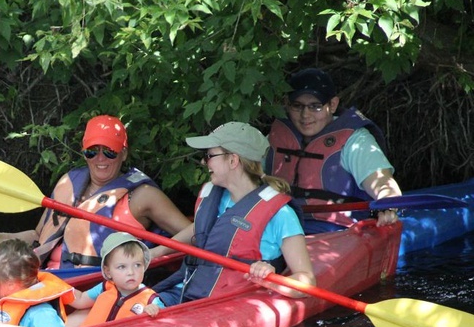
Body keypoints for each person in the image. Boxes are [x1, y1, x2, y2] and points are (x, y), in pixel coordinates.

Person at [0, 114, 191, 268]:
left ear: (124, 153)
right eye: (92, 151)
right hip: (45, 275)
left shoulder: (143, 196)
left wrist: (153, 254)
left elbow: (195, 233)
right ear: (83, 151)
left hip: (90, 286)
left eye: (109, 152)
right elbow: (38, 236)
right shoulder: (67, 183)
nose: (100, 159)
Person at [151, 122, 316, 305]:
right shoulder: (214, 195)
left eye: (210, 155)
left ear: (233, 160)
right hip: (192, 287)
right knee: (135, 308)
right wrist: (156, 252)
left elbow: (306, 281)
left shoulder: (281, 215)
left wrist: (270, 280)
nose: (205, 162)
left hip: (233, 301)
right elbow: (201, 229)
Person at [264, 67, 402, 234]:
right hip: (279, 229)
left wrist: (387, 205)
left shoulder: (355, 140)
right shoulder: (276, 138)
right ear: (287, 105)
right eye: (297, 106)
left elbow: (382, 182)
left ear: (333, 104)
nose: (305, 115)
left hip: (339, 232)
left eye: (315, 106)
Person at [67, 232, 164, 327]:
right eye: (122, 267)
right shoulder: (105, 287)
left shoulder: (151, 299)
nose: (131, 272)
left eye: (137, 265)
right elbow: (80, 299)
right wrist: (57, 287)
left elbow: (163, 322)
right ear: (108, 271)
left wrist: (153, 311)